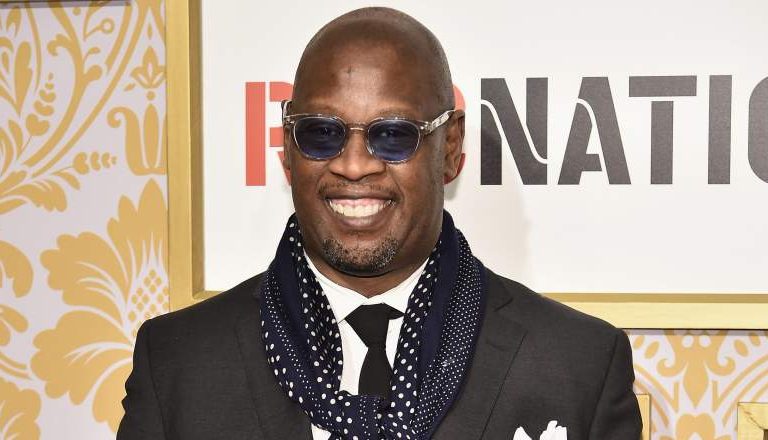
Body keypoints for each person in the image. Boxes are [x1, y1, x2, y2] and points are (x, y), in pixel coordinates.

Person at [117, 7, 642, 440]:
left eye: (392, 135)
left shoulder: (577, 366)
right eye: (321, 133)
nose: (353, 165)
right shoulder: (178, 363)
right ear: (287, 148)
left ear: (450, 148)